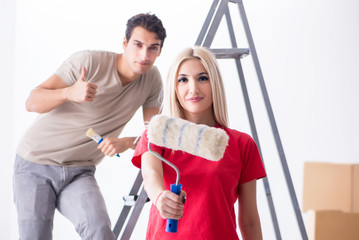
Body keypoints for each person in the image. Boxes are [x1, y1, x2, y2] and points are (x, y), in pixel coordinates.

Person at [13, 13, 166, 240]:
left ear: (160, 51)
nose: (144, 55)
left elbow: (153, 136)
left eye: (153, 48)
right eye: (138, 45)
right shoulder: (89, 62)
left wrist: (125, 143)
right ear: (124, 44)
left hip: (79, 171)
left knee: (100, 231)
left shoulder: (152, 79)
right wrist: (69, 93)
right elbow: (32, 101)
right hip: (35, 164)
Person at [131, 46, 266, 240]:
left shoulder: (241, 144)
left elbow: (249, 221)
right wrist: (160, 196)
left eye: (202, 78)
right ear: (174, 87)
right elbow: (151, 175)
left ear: (215, 83)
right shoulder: (156, 135)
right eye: (183, 80)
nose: (193, 89)